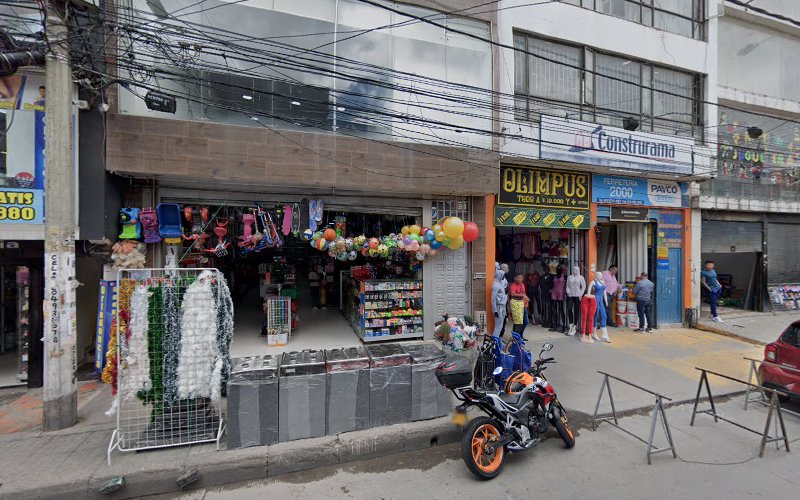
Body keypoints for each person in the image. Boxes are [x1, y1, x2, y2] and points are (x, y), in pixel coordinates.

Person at [566, 266, 586, 336]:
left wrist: (580, 294)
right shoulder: (569, 277)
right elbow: (567, 285)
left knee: (576, 311)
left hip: (577, 296)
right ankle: (571, 325)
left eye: (576, 269)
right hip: (570, 295)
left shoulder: (581, 277)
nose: (575, 270)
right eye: (574, 269)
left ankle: (574, 326)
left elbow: (583, 286)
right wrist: (568, 291)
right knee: (569, 309)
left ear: (579, 270)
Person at [509, 273, 529, 339]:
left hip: (523, 305)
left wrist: (526, 302)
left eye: (521, 278)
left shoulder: (523, 285)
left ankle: (520, 335)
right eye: (518, 278)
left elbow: (524, 293)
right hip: (516, 304)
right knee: (517, 322)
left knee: (525, 321)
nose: (520, 279)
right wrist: (523, 296)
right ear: (515, 278)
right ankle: (515, 337)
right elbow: (512, 294)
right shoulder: (513, 285)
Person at [491, 267, 508, 337]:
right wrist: (495, 310)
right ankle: (494, 341)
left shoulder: (500, 283)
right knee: (498, 327)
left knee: (500, 326)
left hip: (502, 306)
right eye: (502, 275)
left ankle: (496, 341)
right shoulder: (495, 285)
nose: (503, 277)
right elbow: (493, 298)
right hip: (498, 308)